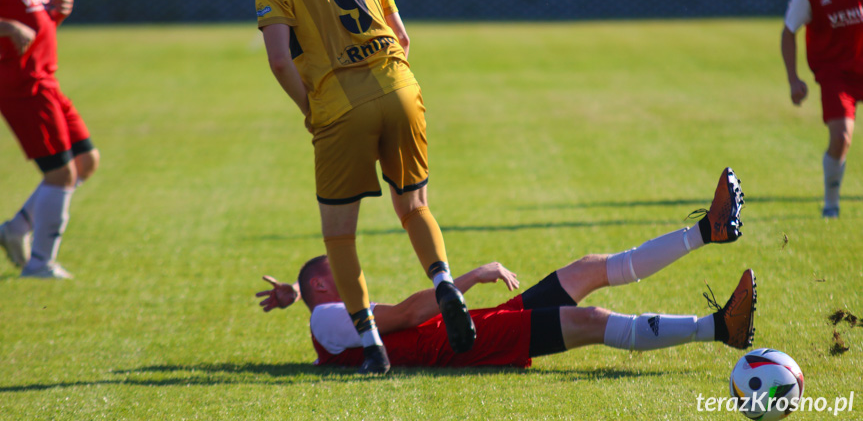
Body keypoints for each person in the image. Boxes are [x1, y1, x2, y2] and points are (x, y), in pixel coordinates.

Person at [254, 0, 474, 375]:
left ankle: (371, 344)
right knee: (415, 206)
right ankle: (443, 283)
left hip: (339, 105)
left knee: (340, 238)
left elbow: (277, 60)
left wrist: (310, 108)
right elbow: (403, 36)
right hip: (399, 84)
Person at [257, 168, 755, 369]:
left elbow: (337, 312)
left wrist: (297, 293)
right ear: (326, 283)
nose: (355, 276)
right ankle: (719, 328)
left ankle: (709, 231)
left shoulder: (322, 316)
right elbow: (406, 316)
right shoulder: (327, 318)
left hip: (466, 331)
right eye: (342, 273)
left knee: (585, 269)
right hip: (458, 343)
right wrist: (466, 278)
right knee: (593, 320)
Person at [0, 0, 99, 279]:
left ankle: (15, 229)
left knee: (86, 162)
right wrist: (5, 26)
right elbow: (12, 29)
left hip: (47, 81)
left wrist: (55, 11)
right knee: (61, 174)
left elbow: (33, 29)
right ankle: (40, 263)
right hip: (22, 87)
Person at [781, 0, 863, 218]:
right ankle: (831, 202)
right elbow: (789, 31)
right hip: (835, 74)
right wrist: (794, 80)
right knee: (841, 137)